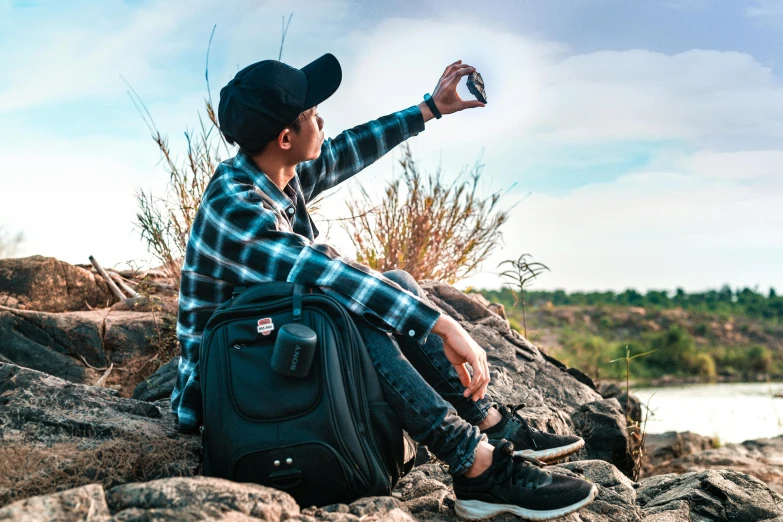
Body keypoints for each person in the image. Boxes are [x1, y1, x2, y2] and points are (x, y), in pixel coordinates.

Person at [171, 53, 598, 520]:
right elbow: (328, 272)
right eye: (313, 113)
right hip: (226, 391)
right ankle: (474, 464)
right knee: (348, 312)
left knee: (394, 284)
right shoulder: (237, 207)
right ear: (286, 137)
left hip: (263, 359)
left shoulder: (270, 171)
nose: (323, 119)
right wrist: (443, 324)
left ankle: (489, 425)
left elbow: (345, 151)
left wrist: (430, 109)